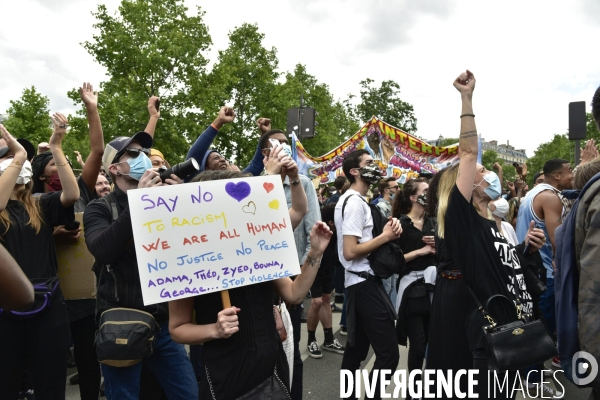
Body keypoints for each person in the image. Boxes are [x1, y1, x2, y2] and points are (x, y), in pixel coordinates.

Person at [425, 70, 547, 398]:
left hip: (500, 320)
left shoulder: (492, 221)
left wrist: (524, 251)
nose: (488, 172)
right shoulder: (462, 219)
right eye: (482, 170)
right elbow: (467, 154)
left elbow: (494, 264)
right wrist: (467, 99)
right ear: (466, 185)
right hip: (468, 319)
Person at [168, 169, 331, 399]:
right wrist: (214, 330)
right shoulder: (189, 262)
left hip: (272, 367)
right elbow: (177, 329)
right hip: (227, 375)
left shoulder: (257, 248)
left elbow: (294, 294)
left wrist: (315, 252)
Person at [83, 132, 197, 400]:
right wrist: (139, 203)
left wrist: (181, 201)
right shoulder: (100, 208)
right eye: (134, 154)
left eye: (146, 153)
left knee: (189, 394)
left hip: (164, 323)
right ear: (114, 168)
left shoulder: (164, 202)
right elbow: (103, 250)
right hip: (121, 324)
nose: (144, 159)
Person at [30, 83, 105, 400]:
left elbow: (97, 152)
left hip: (90, 301)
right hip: (51, 302)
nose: (62, 170)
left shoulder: (83, 193)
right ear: (42, 176)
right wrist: (51, 235)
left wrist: (91, 108)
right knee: (50, 370)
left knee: (91, 366)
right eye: (53, 165)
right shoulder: (33, 205)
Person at [0, 118, 79, 399]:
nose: (15, 160)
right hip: (6, 309)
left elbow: (72, 194)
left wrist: (57, 147)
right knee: (7, 382)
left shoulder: (40, 203)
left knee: (51, 382)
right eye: (6, 156)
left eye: (17, 156)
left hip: (48, 304)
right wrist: (19, 155)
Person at [336, 149, 402, 400]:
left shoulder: (357, 201)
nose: (374, 167)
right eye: (368, 163)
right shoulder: (353, 202)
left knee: (355, 352)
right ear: (354, 171)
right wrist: (385, 237)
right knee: (388, 354)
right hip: (363, 283)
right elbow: (351, 250)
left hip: (360, 283)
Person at [516, 157, 572, 382]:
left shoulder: (533, 193)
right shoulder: (550, 197)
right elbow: (557, 239)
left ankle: (531, 372)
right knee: (542, 328)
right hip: (545, 273)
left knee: (534, 325)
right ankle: (532, 377)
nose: (573, 175)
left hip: (528, 269)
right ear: (557, 176)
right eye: (569, 171)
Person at [391, 177, 436, 398]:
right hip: (411, 290)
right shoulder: (399, 225)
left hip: (434, 287)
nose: (430, 193)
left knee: (432, 343)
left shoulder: (434, 221)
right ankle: (414, 390)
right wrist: (421, 251)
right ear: (413, 197)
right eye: (426, 190)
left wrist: (440, 248)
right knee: (417, 345)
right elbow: (394, 261)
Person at [306, 203, 346, 359]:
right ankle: (311, 339)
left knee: (326, 299)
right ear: (330, 222)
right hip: (314, 263)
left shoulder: (338, 229)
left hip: (327, 264)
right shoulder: (317, 228)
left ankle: (329, 339)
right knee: (316, 301)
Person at [376, 177, 400, 305]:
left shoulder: (394, 206)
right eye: (395, 187)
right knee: (386, 287)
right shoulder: (380, 207)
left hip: (393, 250)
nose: (398, 189)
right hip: (386, 251)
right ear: (387, 190)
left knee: (392, 286)